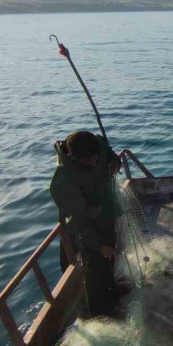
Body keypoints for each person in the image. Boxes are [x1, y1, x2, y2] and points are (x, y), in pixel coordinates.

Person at [50, 131, 122, 317]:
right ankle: (100, 312)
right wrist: (98, 245)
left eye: (96, 158)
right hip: (85, 227)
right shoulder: (63, 180)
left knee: (110, 255)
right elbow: (78, 221)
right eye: (88, 161)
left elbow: (106, 150)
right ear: (74, 157)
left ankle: (112, 290)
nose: (94, 162)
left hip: (104, 214)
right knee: (94, 268)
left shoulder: (95, 145)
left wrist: (114, 161)